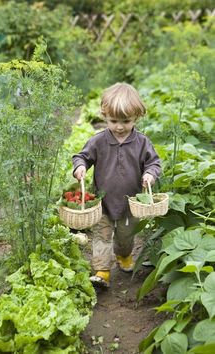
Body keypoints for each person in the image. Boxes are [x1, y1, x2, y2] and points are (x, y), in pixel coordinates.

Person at [72, 82, 161, 287]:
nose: (119, 127)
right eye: (113, 121)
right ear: (105, 116)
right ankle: (102, 270)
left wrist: (149, 174)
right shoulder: (98, 141)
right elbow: (81, 156)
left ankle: (123, 255)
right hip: (102, 201)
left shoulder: (142, 143)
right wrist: (80, 167)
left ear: (136, 117)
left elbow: (153, 163)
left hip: (130, 203)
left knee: (125, 237)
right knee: (101, 236)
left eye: (126, 121)